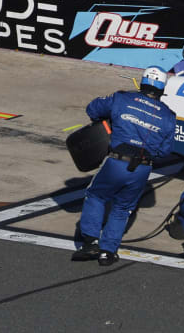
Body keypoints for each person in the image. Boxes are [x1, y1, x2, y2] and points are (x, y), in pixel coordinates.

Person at [71, 67, 176, 267]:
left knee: (96, 196)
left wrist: (110, 121)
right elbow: (165, 151)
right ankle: (108, 252)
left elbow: (92, 109)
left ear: (143, 82)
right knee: (123, 208)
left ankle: (91, 241)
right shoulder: (169, 116)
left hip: (116, 161)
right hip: (142, 168)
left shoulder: (122, 98)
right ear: (162, 89)